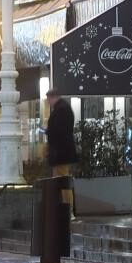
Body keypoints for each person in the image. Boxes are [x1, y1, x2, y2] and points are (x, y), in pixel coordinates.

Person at [44, 89, 78, 217]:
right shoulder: (63, 108)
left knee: (62, 181)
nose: (48, 102)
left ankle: (67, 210)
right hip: (61, 152)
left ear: (53, 97)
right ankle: (64, 209)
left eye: (48, 100)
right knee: (61, 180)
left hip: (60, 153)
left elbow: (58, 131)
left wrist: (48, 132)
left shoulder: (61, 110)